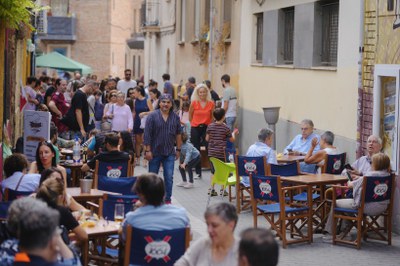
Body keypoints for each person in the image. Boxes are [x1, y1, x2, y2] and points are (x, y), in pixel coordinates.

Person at [323, 153, 392, 241]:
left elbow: (350, 185)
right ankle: (345, 231)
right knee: (349, 203)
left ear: (375, 164)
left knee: (337, 203)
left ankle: (331, 234)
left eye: (372, 162)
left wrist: (350, 179)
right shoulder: (388, 176)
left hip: (366, 207)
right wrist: (359, 177)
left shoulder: (368, 176)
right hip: (383, 207)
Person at [0, 197, 80, 266]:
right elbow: (73, 262)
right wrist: (57, 236)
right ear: (52, 243)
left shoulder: (6, 251)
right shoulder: (60, 262)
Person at [121, 173, 189, 240]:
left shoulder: (131, 218)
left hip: (141, 250)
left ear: (140, 195)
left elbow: (124, 238)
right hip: (173, 250)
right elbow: (189, 237)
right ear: (163, 193)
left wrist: (135, 209)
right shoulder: (181, 215)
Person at [144, 94, 182, 204]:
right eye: (163, 102)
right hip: (154, 152)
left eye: (168, 102)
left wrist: (178, 149)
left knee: (169, 177)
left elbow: (178, 134)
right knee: (152, 178)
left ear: (171, 104)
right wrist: (147, 150)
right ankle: (151, 199)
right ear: (159, 103)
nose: (165, 104)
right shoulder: (152, 116)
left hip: (169, 152)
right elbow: (147, 134)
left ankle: (167, 200)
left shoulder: (175, 117)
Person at [36, 177, 88, 243]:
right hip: (55, 251)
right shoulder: (62, 212)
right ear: (61, 196)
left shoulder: (34, 208)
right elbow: (84, 236)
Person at [189, 83, 215, 178]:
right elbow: (190, 116)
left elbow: (213, 116)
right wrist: (194, 123)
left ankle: (213, 170)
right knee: (196, 149)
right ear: (197, 93)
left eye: (204, 92)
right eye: (200, 92)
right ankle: (198, 172)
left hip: (206, 128)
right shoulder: (194, 103)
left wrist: (210, 126)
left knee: (209, 147)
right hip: (195, 127)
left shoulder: (211, 103)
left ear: (206, 93)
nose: (202, 94)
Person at [206, 108, 238, 185]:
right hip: (221, 153)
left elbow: (207, 139)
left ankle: (212, 189)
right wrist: (234, 133)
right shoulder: (226, 128)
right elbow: (232, 140)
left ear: (214, 117)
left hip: (211, 153)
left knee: (213, 172)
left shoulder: (210, 126)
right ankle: (222, 190)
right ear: (224, 117)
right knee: (222, 171)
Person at [132, 86, 153, 165]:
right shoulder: (135, 101)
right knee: (137, 141)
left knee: (145, 140)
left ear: (139, 92)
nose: (133, 94)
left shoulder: (147, 100)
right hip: (137, 121)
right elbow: (134, 112)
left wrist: (145, 113)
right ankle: (137, 158)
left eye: (134, 92)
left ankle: (145, 158)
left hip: (145, 121)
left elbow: (152, 111)